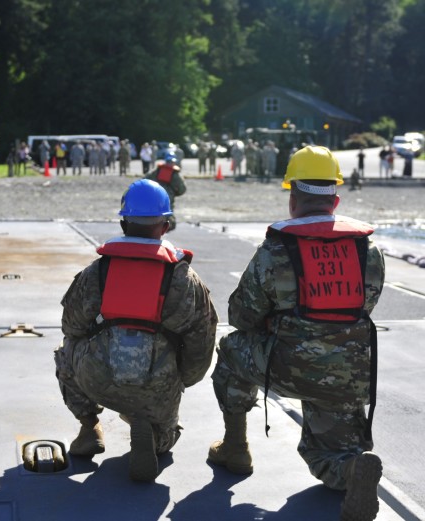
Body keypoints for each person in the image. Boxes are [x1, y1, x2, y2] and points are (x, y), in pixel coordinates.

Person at [209, 146, 385, 521]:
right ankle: (353, 471)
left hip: (287, 367)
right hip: (349, 375)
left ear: (293, 200)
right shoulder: (368, 251)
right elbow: (364, 307)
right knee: (326, 457)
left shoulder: (275, 251)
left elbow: (241, 316)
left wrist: (280, 323)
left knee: (230, 347)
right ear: (335, 201)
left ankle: (236, 445)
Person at [54, 179, 218, 482]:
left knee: (66, 350)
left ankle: (89, 426)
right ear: (166, 225)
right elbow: (201, 344)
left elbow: (71, 327)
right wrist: (181, 380)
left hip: (98, 380)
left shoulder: (97, 272)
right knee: (168, 437)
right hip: (159, 385)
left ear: (123, 222)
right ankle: (156, 437)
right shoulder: (184, 279)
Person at [144, 153, 186, 231]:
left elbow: (145, 180)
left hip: (155, 197)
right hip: (167, 199)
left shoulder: (156, 171)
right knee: (168, 218)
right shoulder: (175, 174)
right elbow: (182, 189)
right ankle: (164, 229)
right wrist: (174, 193)